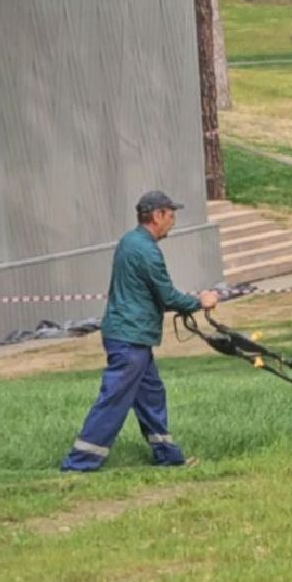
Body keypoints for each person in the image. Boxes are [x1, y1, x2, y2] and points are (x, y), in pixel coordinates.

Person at [60, 191, 219, 472]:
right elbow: (167, 296)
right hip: (129, 338)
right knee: (114, 398)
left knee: (151, 395)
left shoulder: (130, 241)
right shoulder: (146, 251)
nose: (173, 222)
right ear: (157, 215)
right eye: (171, 215)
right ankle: (79, 463)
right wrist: (200, 302)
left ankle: (167, 456)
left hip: (131, 335)